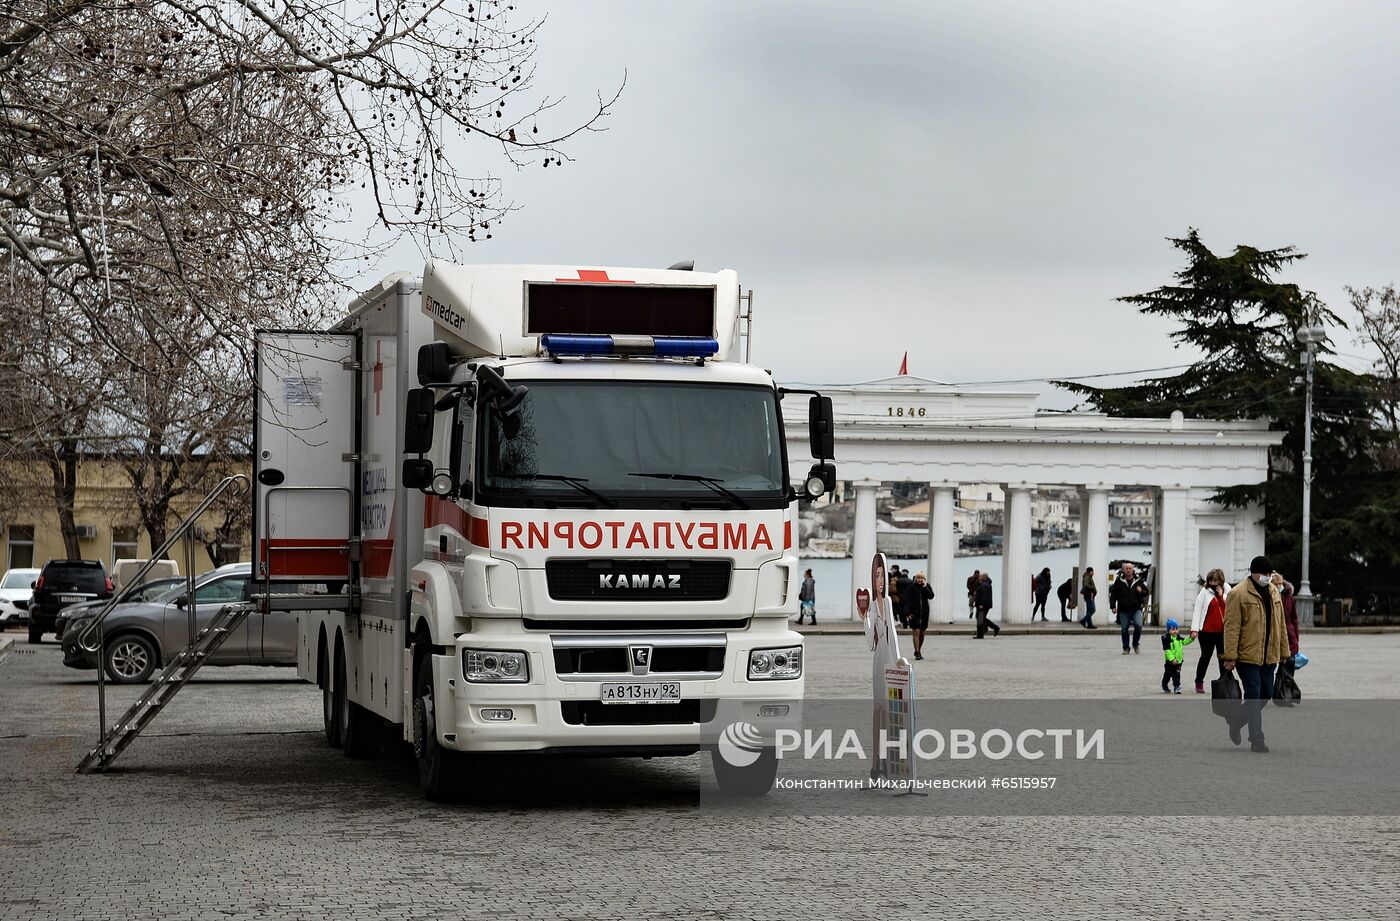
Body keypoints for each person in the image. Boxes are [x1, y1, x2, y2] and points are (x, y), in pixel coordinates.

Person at [1223, 555, 1290, 753]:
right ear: (1254, 573)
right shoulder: (1238, 593)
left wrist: (1284, 651)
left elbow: (1281, 624)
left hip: (1269, 655)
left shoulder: (1273, 592)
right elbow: (1232, 627)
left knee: (1265, 694)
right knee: (1253, 693)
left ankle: (1236, 721)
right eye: (1265, 574)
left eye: (1270, 574)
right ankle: (1257, 739)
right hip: (1247, 655)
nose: (1268, 577)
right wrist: (1230, 655)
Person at [1189, 568, 1227, 693]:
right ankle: (1199, 681)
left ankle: (1224, 681)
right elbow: (1197, 611)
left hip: (1222, 632)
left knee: (1223, 657)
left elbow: (1229, 608)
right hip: (1206, 632)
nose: (1213, 583)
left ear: (1220, 580)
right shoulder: (1204, 592)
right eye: (1211, 580)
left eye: (1215, 580)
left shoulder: (1228, 591)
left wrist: (1221, 597)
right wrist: (1194, 629)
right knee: (1205, 656)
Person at [1110, 562, 1148, 654]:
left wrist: (1141, 591)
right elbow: (1113, 594)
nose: (1128, 570)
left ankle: (1135, 644)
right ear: (1123, 570)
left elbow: (1146, 591)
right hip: (1123, 609)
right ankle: (1126, 647)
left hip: (1136, 609)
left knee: (1138, 626)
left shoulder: (1138, 581)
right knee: (1124, 629)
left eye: (1130, 569)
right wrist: (1113, 606)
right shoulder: (1119, 581)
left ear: (1133, 570)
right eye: (1126, 568)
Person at [904, 571, 934, 660]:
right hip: (914, 613)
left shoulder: (927, 586)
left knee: (922, 633)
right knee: (916, 632)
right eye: (918, 578)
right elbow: (907, 601)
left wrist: (925, 587)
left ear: (924, 579)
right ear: (916, 579)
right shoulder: (912, 588)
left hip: (924, 613)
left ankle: (919, 650)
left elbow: (931, 596)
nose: (920, 580)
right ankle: (917, 652)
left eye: (922, 578)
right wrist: (907, 613)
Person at [1160, 618, 1195, 694]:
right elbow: (1167, 651)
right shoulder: (1167, 640)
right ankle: (1164, 684)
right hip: (1170, 662)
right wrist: (1172, 659)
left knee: (1176, 675)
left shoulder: (1178, 638)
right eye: (1172, 629)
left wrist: (1191, 638)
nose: (1175, 631)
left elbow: (1185, 642)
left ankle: (1177, 687)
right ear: (1168, 630)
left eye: (1176, 629)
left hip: (1178, 661)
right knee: (1168, 674)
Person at [974, 572, 999, 638]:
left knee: (980, 619)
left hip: (983, 605)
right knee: (981, 618)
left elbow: (984, 596)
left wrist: (981, 605)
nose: (978, 578)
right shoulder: (984, 584)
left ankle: (980, 635)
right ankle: (991, 629)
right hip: (984, 605)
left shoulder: (984, 585)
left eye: (980, 577)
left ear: (983, 578)